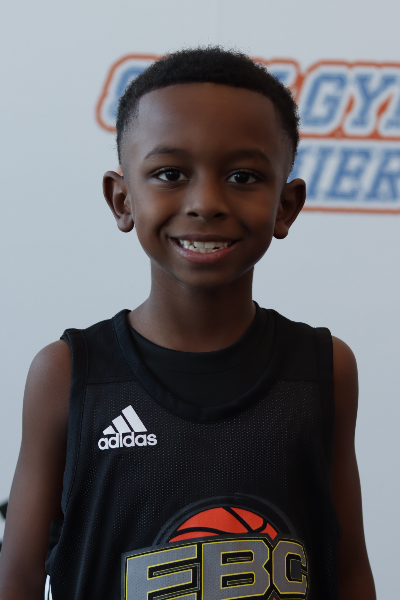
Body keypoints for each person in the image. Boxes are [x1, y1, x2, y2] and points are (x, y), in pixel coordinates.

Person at [0, 47, 375, 600]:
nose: (205, 202)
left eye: (243, 176)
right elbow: (18, 578)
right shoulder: (67, 373)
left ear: (286, 205)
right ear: (122, 199)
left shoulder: (325, 368)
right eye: (170, 173)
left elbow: (349, 571)